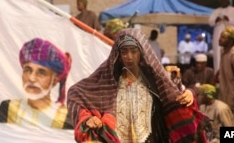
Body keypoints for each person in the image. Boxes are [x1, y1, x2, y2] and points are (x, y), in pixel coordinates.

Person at [67, 28, 212, 143]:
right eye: (124, 52)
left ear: (142, 52)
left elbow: (179, 95)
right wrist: (88, 119)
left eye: (133, 51)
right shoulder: (108, 80)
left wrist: (189, 94)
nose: (128, 57)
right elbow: (77, 94)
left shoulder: (157, 78)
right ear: (117, 54)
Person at [0, 38, 73, 129]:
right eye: (27, 70)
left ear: (55, 80)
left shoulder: (67, 118)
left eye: (41, 72)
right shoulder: (8, 108)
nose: (31, 78)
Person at [208, 0, 234, 74]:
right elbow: (210, 22)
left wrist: (229, 19)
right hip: (218, 37)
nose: (223, 2)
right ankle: (218, 75)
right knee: (218, 55)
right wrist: (216, 20)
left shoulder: (233, 10)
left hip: (230, 37)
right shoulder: (216, 11)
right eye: (221, 1)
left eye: (225, 1)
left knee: (231, 54)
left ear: (228, 1)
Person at [217, 25, 234, 126]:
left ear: (231, 40)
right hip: (225, 96)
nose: (219, 39)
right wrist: (215, 77)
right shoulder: (224, 51)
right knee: (227, 124)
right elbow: (223, 66)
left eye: (223, 37)